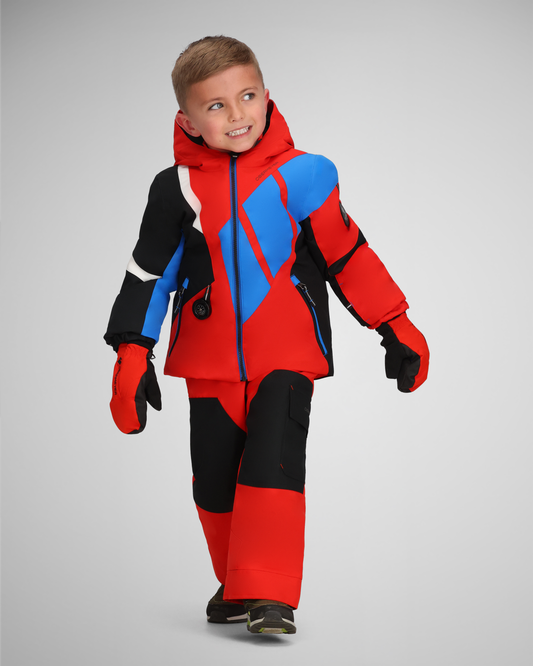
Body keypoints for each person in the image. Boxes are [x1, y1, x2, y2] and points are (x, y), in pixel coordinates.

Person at [104, 35, 429, 635]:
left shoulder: (304, 174)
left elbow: (347, 254)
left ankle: (269, 592)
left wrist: (396, 323)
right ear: (188, 120)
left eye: (247, 96)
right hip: (208, 360)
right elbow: (151, 272)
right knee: (213, 479)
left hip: (288, 352)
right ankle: (237, 581)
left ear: (267, 94)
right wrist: (131, 352)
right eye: (216, 105)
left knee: (273, 462)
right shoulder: (175, 189)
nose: (237, 114)